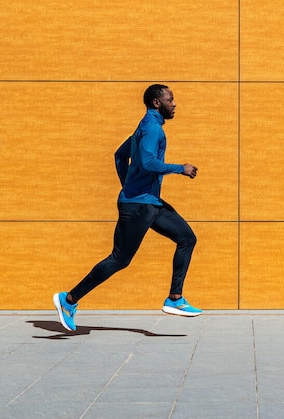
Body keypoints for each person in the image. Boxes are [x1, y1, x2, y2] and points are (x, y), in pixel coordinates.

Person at [54, 84, 201, 332]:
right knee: (119, 260)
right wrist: (180, 168)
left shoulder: (144, 126)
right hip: (138, 206)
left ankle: (175, 298)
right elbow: (148, 163)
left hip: (149, 202)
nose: (174, 104)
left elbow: (120, 156)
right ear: (157, 103)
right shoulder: (152, 128)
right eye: (170, 99)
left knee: (187, 238)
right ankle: (68, 299)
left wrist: (129, 185)